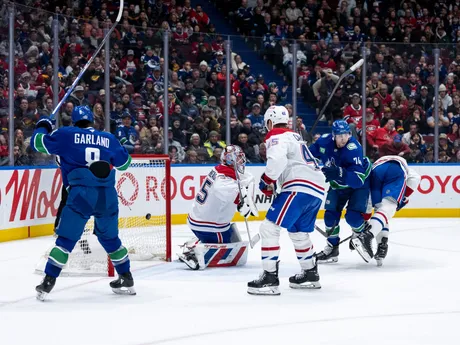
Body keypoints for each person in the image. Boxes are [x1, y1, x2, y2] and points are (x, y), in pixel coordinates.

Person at [31, 106, 135, 301]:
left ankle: (48, 282)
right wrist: (120, 144)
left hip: (81, 193)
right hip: (107, 195)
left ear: (74, 120)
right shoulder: (108, 138)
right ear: (92, 120)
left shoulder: (66, 134)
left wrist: (43, 125)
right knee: (110, 239)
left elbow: (37, 143)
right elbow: (125, 164)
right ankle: (126, 277)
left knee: (66, 240)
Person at [247, 105, 325, 296]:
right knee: (298, 232)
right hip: (316, 189)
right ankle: (309, 273)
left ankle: (270, 277)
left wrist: (266, 180)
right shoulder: (295, 137)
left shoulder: (276, 136)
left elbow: (277, 162)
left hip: (298, 187)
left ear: (270, 122)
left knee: (269, 228)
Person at [178, 145, 257, 270]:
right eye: (239, 158)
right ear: (230, 160)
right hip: (208, 226)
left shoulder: (221, 170)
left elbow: (241, 181)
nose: (242, 161)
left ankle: (197, 243)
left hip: (198, 218)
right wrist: (242, 201)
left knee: (231, 235)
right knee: (230, 252)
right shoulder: (223, 180)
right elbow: (224, 190)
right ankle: (193, 253)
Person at [309, 120, 374, 263]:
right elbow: (307, 156)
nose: (343, 138)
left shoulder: (353, 148)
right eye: (340, 135)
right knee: (329, 217)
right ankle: (332, 249)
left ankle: (363, 233)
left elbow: (358, 180)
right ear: (333, 135)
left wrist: (339, 173)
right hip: (338, 185)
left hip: (359, 184)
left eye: (346, 134)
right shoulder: (324, 141)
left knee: (352, 217)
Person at [366, 155, 421, 266]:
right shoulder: (407, 170)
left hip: (376, 171)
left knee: (380, 210)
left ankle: (377, 241)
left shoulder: (375, 165)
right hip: (396, 168)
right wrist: (404, 197)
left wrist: (363, 224)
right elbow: (416, 178)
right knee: (388, 206)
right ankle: (377, 240)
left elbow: (367, 204)